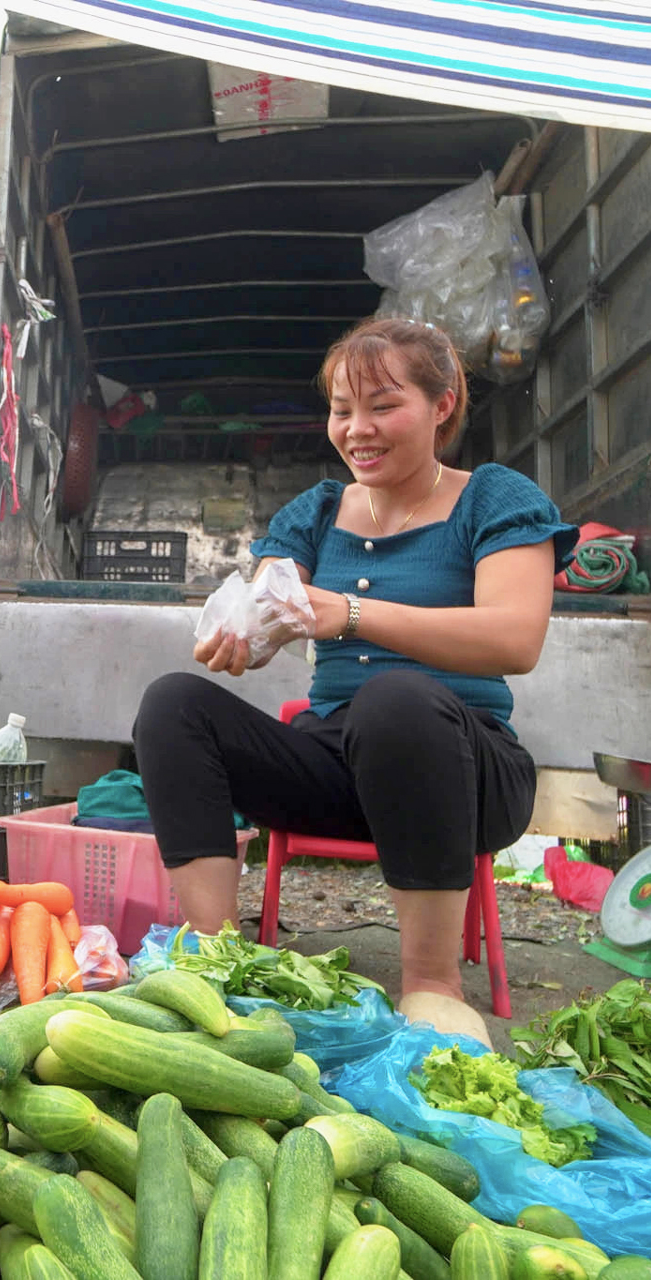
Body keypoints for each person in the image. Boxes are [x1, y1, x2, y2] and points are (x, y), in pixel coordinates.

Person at [132, 317, 576, 1045]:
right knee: (173, 703)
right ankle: (213, 957)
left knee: (396, 700)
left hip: (464, 773)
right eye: (343, 410)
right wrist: (248, 633)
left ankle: (431, 984)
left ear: (443, 405)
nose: (357, 429)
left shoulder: (495, 499)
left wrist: (353, 613)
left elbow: (515, 638)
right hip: (336, 768)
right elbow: (278, 602)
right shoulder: (315, 511)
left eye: (383, 406)